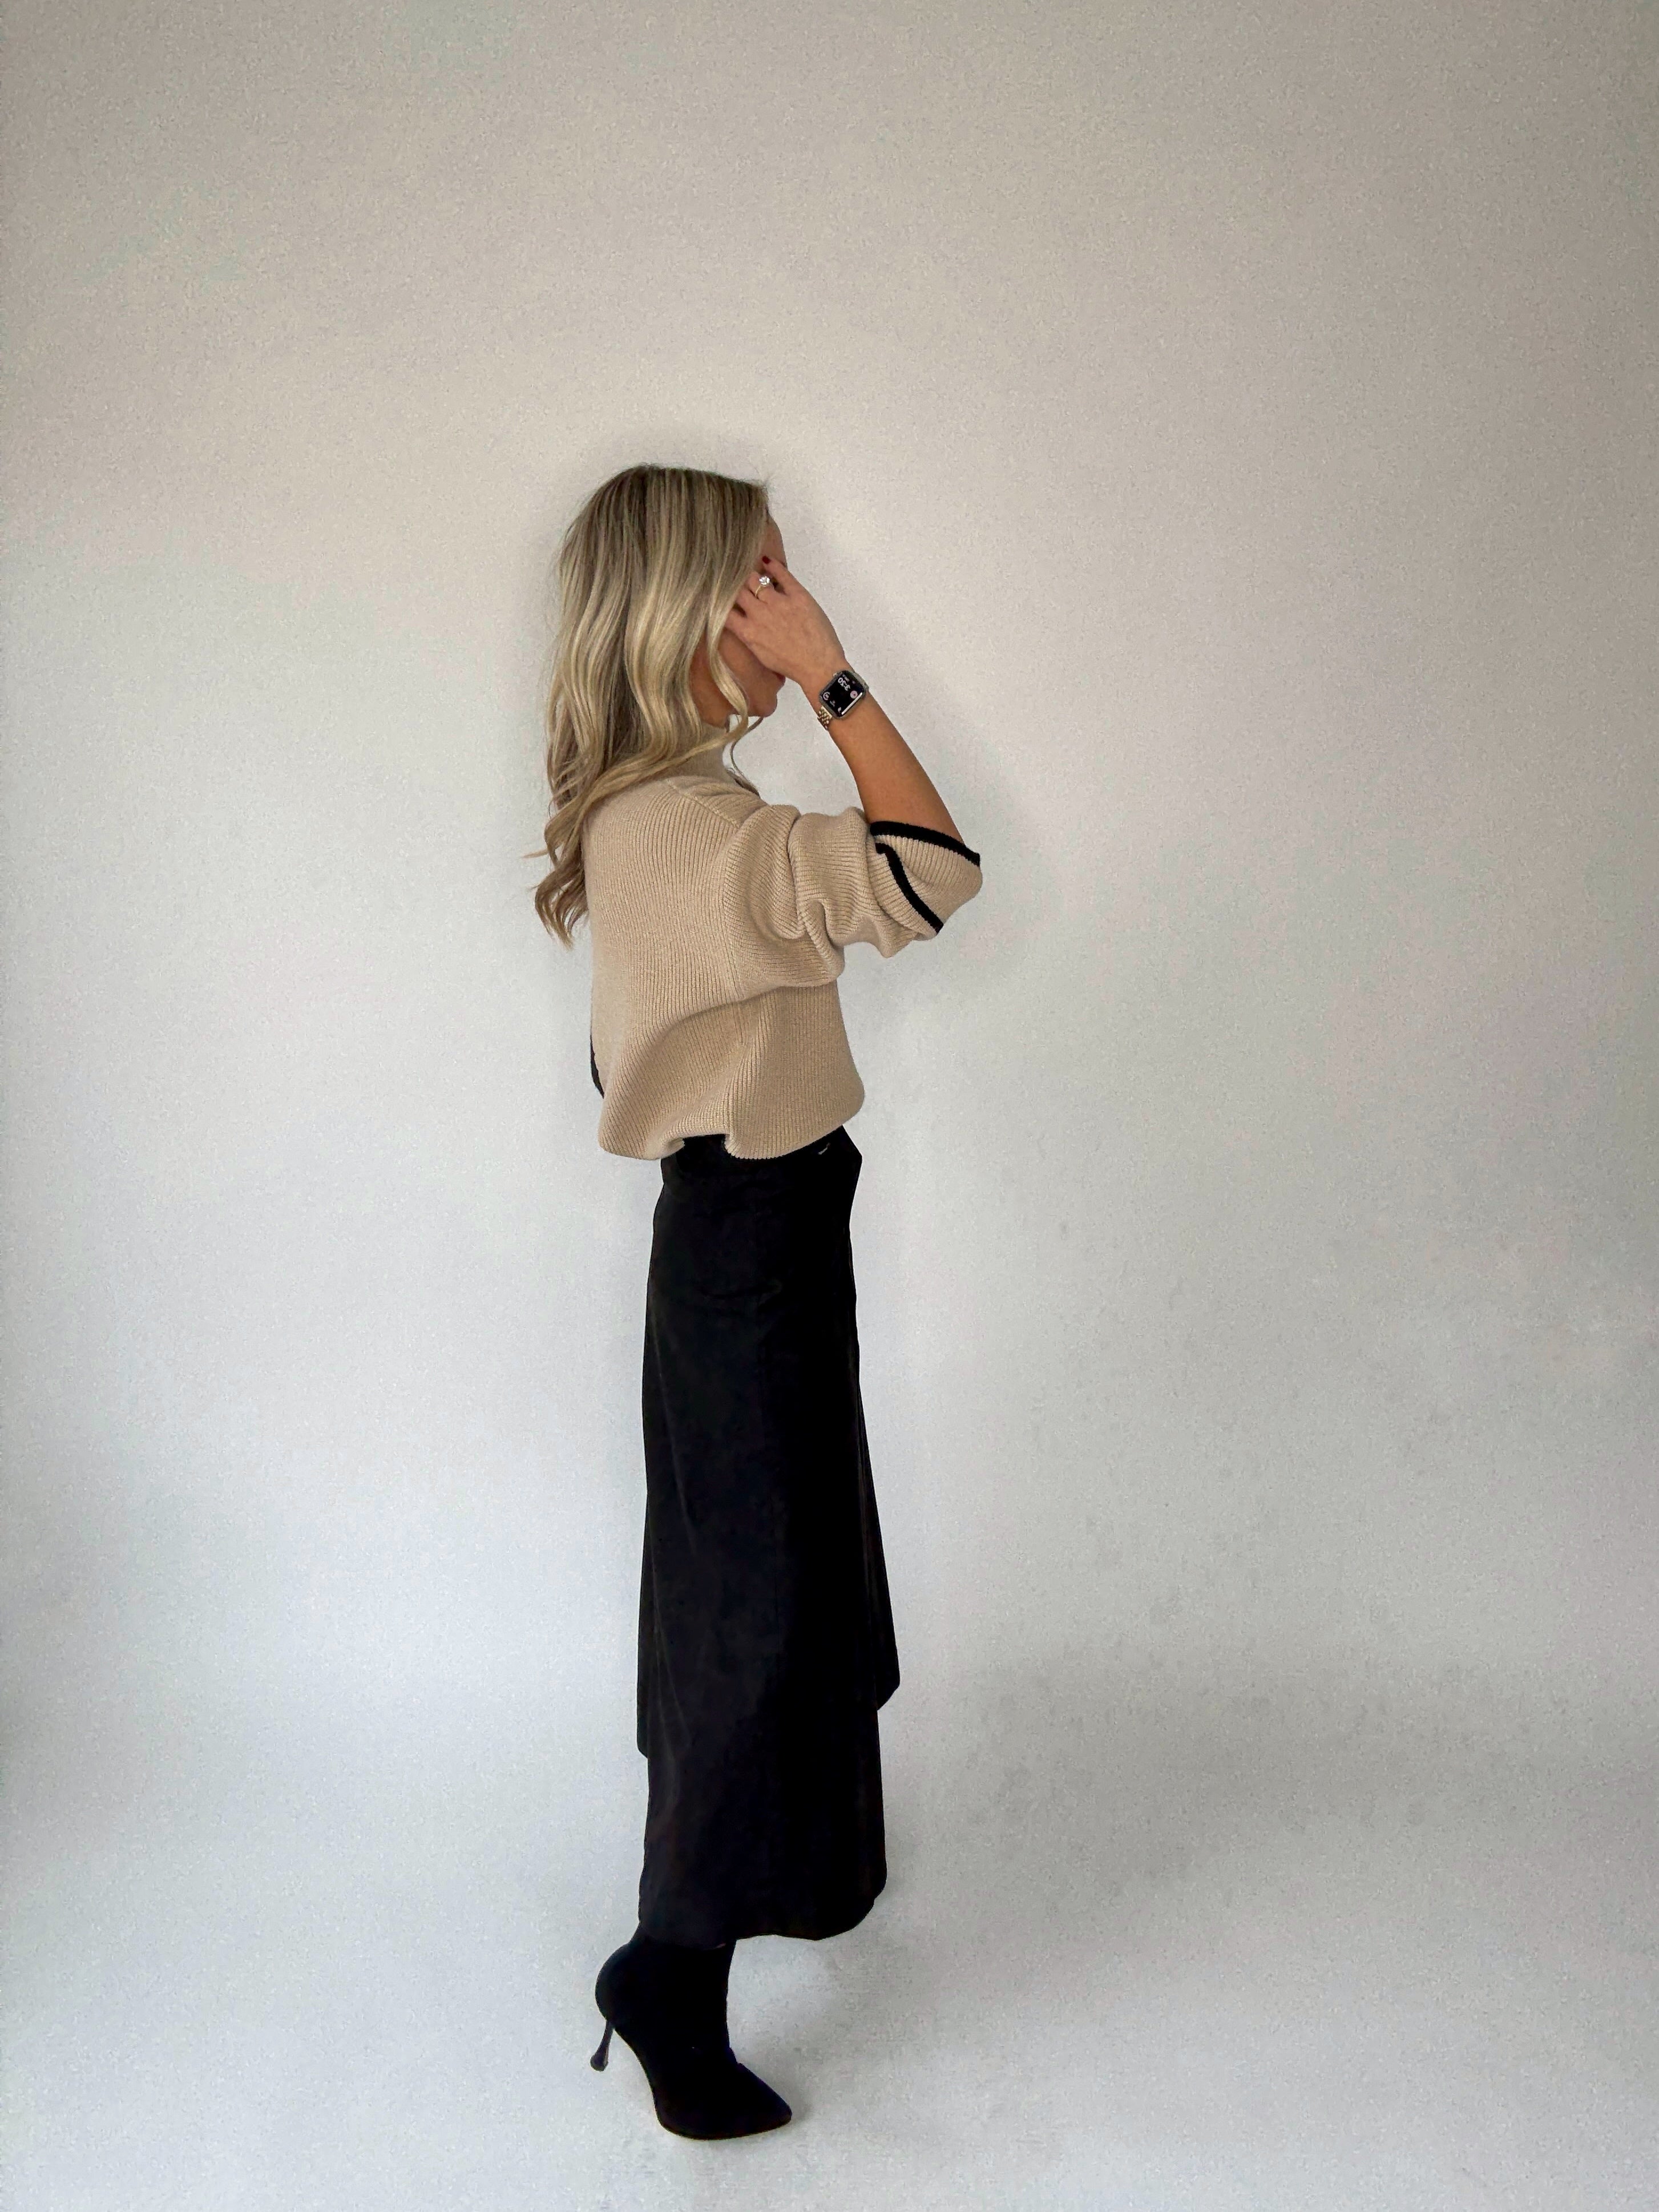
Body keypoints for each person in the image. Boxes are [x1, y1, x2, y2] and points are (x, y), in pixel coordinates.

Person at [531, 463, 984, 2137]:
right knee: (749, 1615)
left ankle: (753, 1899)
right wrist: (836, 675)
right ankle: (670, 1967)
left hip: (760, 1236)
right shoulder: (685, 831)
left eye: (788, 585)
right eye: (764, 583)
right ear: (690, 610)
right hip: (749, 1247)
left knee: (780, 1590)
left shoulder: (674, 813)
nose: (788, 606)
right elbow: (930, 871)